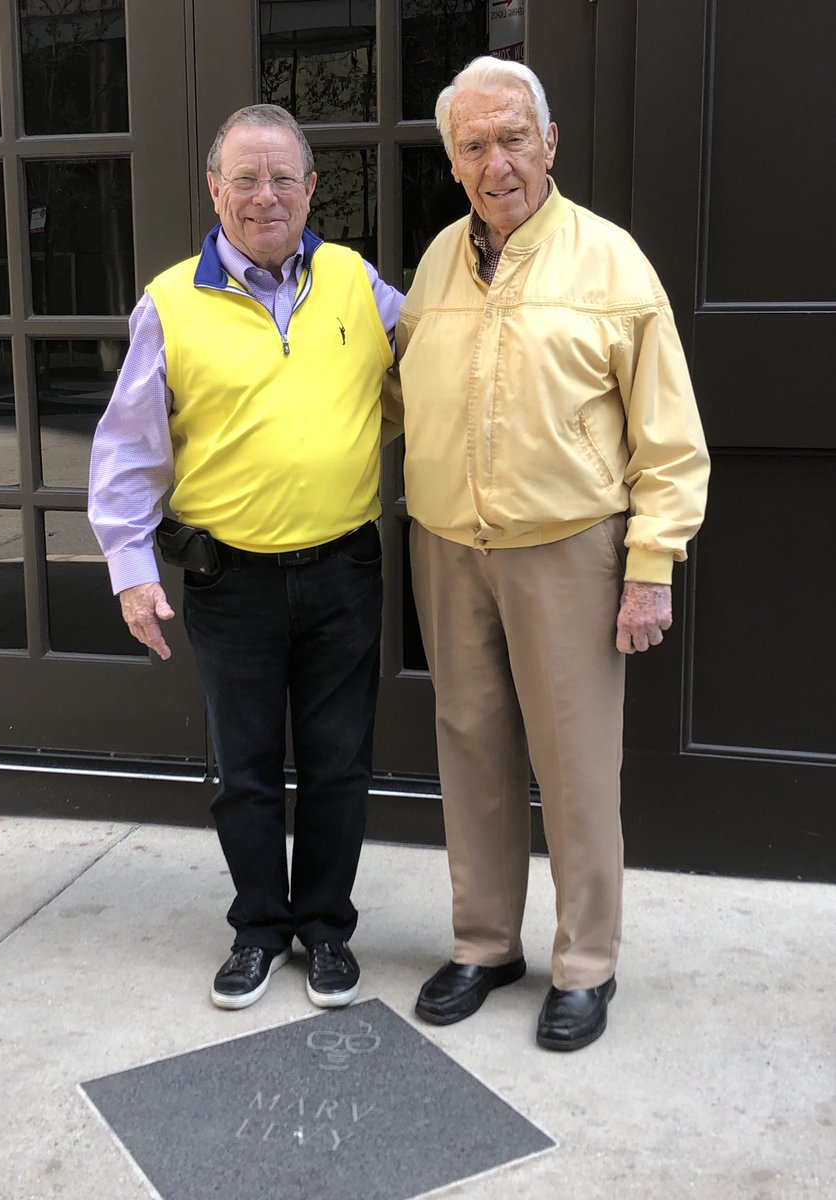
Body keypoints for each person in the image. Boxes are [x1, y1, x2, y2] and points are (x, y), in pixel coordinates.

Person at [392, 57, 710, 1050]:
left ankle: (586, 962)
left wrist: (650, 566)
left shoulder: (612, 262)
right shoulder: (440, 261)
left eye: (512, 138)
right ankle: (486, 942)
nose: (497, 163)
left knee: (575, 767)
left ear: (550, 141)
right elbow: (400, 399)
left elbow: (670, 438)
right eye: (474, 145)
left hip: (569, 549)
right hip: (448, 548)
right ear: (452, 161)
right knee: (472, 751)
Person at [88, 104, 402, 1013]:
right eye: (246, 179)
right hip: (231, 581)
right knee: (247, 770)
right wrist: (131, 567)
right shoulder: (170, 301)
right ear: (215, 191)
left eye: (284, 178)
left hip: (344, 568)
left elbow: (428, 371)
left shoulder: (355, 282)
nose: (266, 196)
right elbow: (129, 449)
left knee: (341, 763)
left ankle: (327, 930)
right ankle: (259, 929)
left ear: (312, 190)